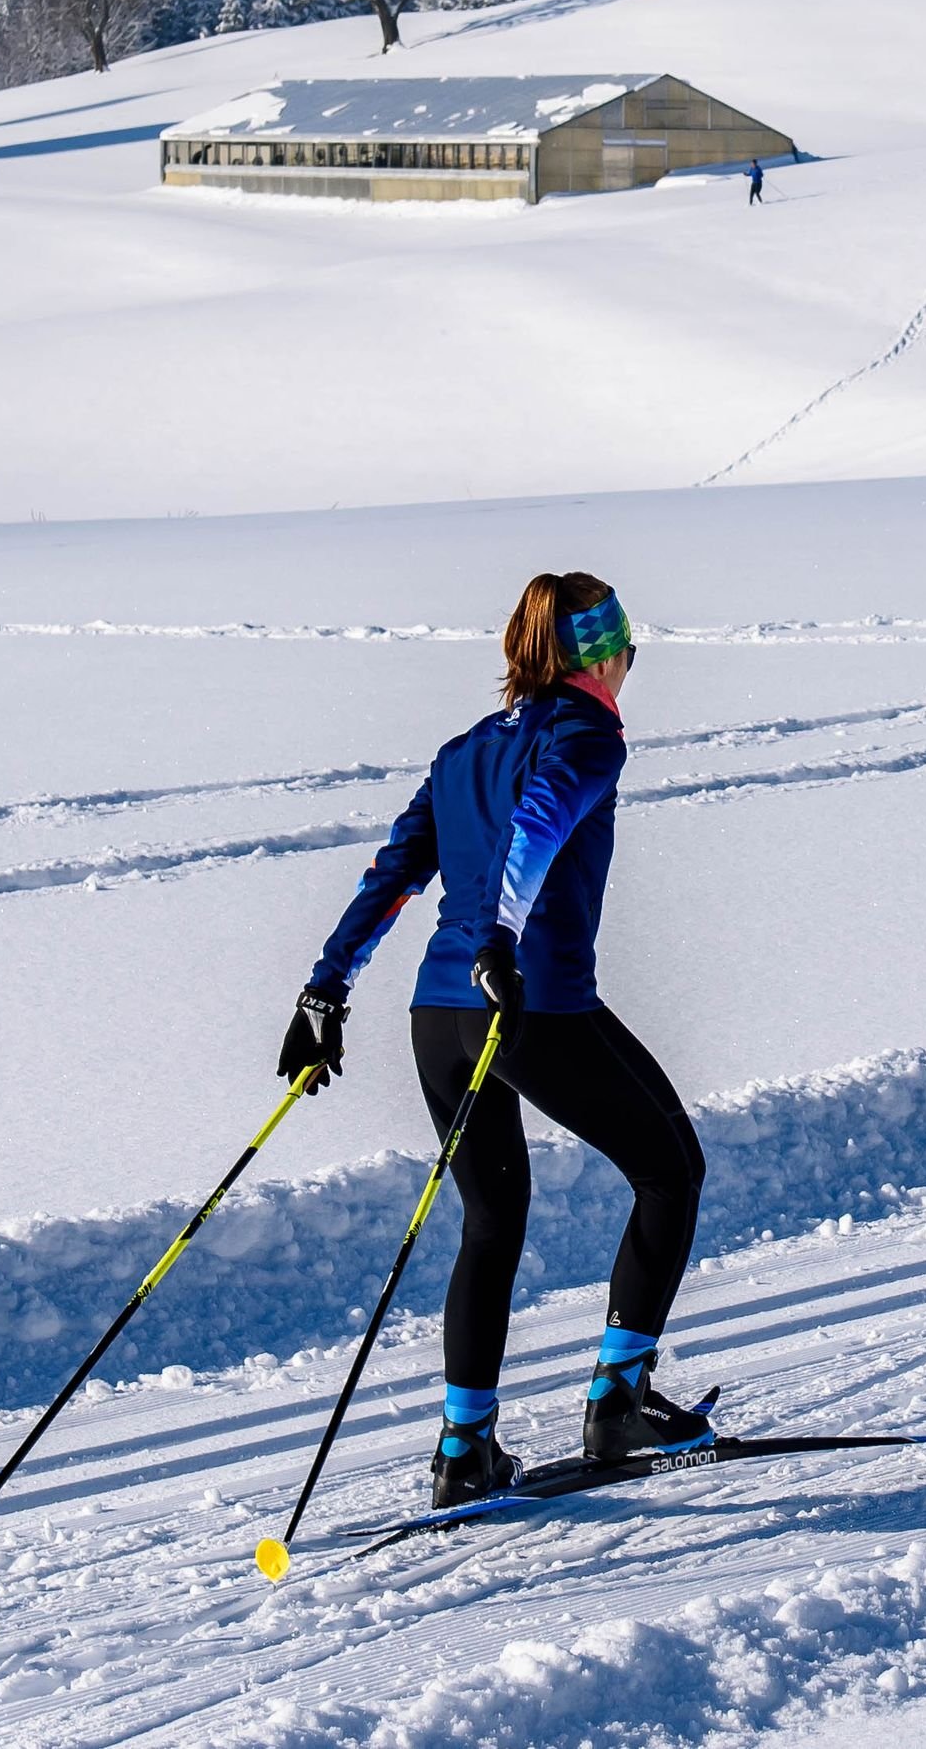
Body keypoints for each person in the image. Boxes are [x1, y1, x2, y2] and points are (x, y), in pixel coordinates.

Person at [277, 571, 712, 1505]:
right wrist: (500, 941)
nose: (633, 665)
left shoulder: (462, 752)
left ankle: (465, 1450)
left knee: (493, 1216)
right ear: (601, 654)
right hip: (525, 1003)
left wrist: (325, 988)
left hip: (438, 1015)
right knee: (671, 1172)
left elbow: (393, 875)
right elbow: (537, 828)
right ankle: (619, 1403)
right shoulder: (588, 733)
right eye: (628, 649)